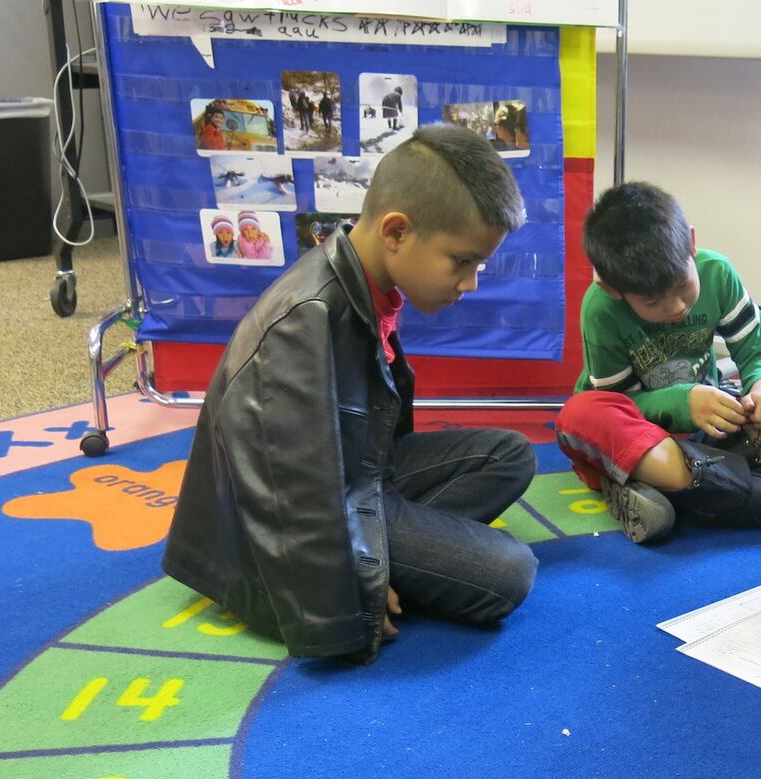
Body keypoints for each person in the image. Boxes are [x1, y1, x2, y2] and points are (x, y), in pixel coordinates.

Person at [164, 125, 538, 662]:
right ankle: (393, 559)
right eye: (462, 261)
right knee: (508, 572)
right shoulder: (305, 319)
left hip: (360, 476)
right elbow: (292, 495)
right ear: (397, 232)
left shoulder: (369, 281)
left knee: (510, 455)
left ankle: (400, 554)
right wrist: (351, 595)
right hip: (296, 517)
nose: (470, 282)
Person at [553, 181, 761, 544]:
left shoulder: (717, 272)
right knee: (577, 414)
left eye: (682, 285)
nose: (676, 307)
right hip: (646, 436)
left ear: (691, 243)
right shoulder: (601, 309)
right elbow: (619, 403)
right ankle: (757, 494)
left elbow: (757, 353)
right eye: (652, 301)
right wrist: (684, 402)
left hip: (712, 432)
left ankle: (678, 485)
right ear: (613, 289)